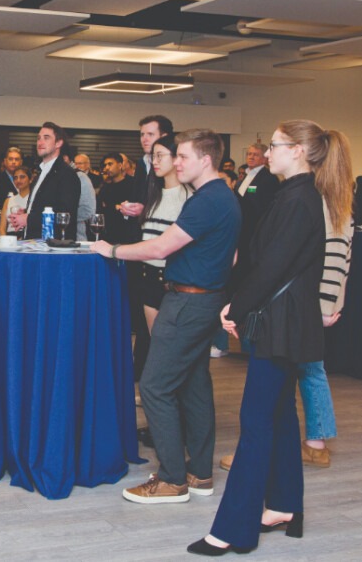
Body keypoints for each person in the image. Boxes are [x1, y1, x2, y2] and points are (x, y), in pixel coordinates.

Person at [188, 121, 351, 556]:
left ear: (298, 151)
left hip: (280, 322)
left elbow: (272, 266)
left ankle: (233, 530)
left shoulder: (298, 199)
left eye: (276, 145)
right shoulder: (298, 195)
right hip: (286, 321)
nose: (267, 151)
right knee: (278, 417)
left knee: (256, 424)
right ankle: (283, 507)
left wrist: (235, 307)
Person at [92, 129, 241, 510]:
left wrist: (113, 250)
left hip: (188, 303)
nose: (176, 163)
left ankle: (173, 479)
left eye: (183, 157)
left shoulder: (208, 200)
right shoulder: (219, 196)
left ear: (205, 160)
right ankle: (199, 474)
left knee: (156, 387)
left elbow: (161, 246)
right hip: (202, 300)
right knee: (193, 385)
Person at [221, 172, 356, 473]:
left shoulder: (312, 198)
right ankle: (311, 445)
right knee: (305, 373)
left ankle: (308, 446)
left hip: (304, 305)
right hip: (305, 304)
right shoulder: (314, 196)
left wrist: (322, 304)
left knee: (306, 371)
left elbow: (333, 257)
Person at [214, 142, 282, 357]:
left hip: (251, 240)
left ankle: (245, 341)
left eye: (256, 154)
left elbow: (261, 209)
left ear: (265, 158)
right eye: (249, 153)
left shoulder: (268, 179)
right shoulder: (245, 178)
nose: (251, 157)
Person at [120, 115, 174, 380]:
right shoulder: (143, 165)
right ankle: (140, 373)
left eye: (149, 134)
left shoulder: (173, 179)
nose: (144, 139)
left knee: (159, 333)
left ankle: (150, 377)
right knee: (143, 322)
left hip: (162, 260)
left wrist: (144, 212)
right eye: (142, 134)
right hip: (143, 248)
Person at [137, 135, 191, 379]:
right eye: (153, 156)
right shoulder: (155, 194)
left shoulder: (189, 197)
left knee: (172, 351)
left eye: (160, 156)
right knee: (156, 347)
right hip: (149, 279)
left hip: (171, 281)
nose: (155, 161)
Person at [7, 123, 79, 239]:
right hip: (34, 244)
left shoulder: (67, 174)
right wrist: (27, 212)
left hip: (53, 248)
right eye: (38, 138)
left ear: (58, 143)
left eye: (46, 138)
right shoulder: (40, 172)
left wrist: (29, 219)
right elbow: (46, 205)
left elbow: (64, 215)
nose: (40, 142)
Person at [95, 153, 136, 245]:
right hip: (108, 236)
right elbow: (100, 210)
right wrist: (115, 207)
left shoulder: (133, 184)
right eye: (105, 165)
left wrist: (111, 207)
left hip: (127, 236)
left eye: (110, 164)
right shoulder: (105, 188)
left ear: (120, 165)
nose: (107, 168)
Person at [0, 166, 32, 236]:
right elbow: (2, 228)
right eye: (15, 178)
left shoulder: (35, 199)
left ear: (30, 179)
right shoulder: (8, 201)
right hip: (10, 238)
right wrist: (5, 241)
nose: (18, 180)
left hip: (28, 238)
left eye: (22, 177)